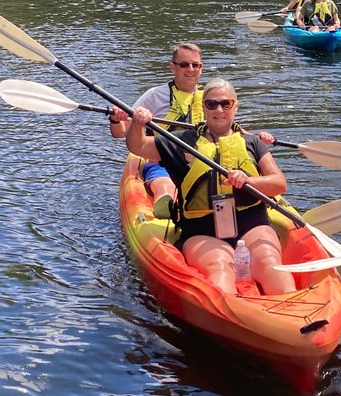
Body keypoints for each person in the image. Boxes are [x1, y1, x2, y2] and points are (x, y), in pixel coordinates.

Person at [121, 77, 297, 296]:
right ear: (203, 107)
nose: (219, 109)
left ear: (236, 106)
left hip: (252, 222)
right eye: (211, 104)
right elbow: (137, 146)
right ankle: (232, 317)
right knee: (221, 267)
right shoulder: (183, 141)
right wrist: (137, 123)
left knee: (269, 263)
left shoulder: (252, 142)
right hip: (201, 229)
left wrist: (249, 180)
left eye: (226, 103)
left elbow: (279, 183)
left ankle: (293, 314)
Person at [109, 43, 277, 218]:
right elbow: (120, 133)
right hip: (164, 159)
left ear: (201, 68)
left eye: (195, 65)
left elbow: (235, 131)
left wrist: (258, 140)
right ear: (172, 67)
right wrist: (116, 118)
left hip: (206, 162)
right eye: (184, 64)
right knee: (165, 185)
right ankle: (167, 204)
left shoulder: (211, 99)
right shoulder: (154, 96)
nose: (190, 69)